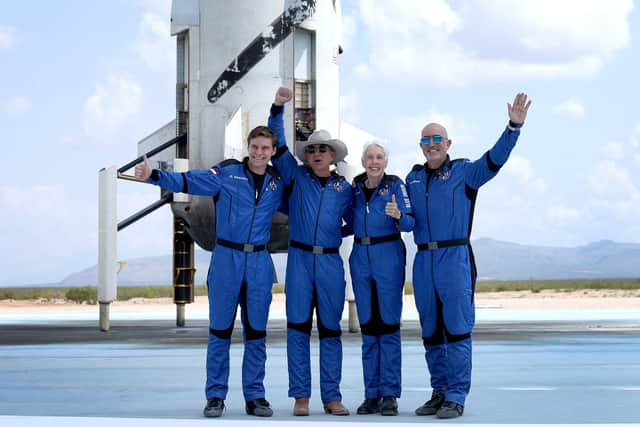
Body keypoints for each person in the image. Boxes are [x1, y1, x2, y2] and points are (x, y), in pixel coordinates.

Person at [134, 107, 286, 418]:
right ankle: (215, 396)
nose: (259, 153)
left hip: (259, 261)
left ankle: (255, 396)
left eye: (265, 148)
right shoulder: (227, 174)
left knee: (256, 333)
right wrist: (154, 177)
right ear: (248, 147)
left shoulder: (276, 184)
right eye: (255, 147)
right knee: (220, 331)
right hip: (226, 258)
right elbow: (190, 181)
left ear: (272, 151)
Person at [406, 93, 532, 419]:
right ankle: (439, 391)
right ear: (421, 145)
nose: (432, 144)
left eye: (437, 139)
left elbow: (495, 159)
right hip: (423, 262)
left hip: (455, 259)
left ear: (448, 143)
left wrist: (513, 127)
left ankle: (456, 396)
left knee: (458, 329)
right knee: (431, 332)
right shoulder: (413, 178)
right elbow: (406, 218)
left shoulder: (465, 173)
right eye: (426, 139)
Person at [268, 87, 353, 416]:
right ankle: (301, 396)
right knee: (298, 328)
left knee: (331, 330)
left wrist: (334, 233)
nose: (317, 153)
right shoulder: (296, 176)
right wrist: (277, 108)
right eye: (313, 149)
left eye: (323, 149)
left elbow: (357, 221)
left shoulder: (345, 189)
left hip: (331, 261)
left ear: (333, 156)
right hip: (300, 259)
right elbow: (279, 146)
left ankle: (332, 397)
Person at [348, 142, 414, 416]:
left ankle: (389, 394)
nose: (374, 162)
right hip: (361, 257)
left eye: (379, 157)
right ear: (363, 161)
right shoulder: (355, 188)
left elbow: (410, 223)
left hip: (388, 255)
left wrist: (399, 216)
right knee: (368, 328)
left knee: (388, 327)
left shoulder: (396, 185)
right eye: (369, 157)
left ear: (385, 161)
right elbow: (346, 221)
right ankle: (371, 394)